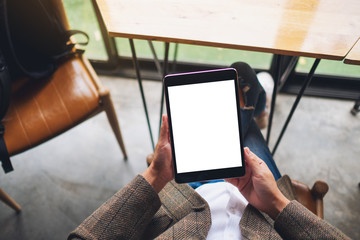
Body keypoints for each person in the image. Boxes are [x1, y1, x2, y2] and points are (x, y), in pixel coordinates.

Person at [68, 63, 349, 240]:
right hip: (260, 201)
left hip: (189, 196)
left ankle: (251, 109)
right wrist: (275, 202)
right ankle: (253, 108)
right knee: (244, 81)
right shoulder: (268, 201)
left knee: (239, 89)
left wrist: (156, 175)